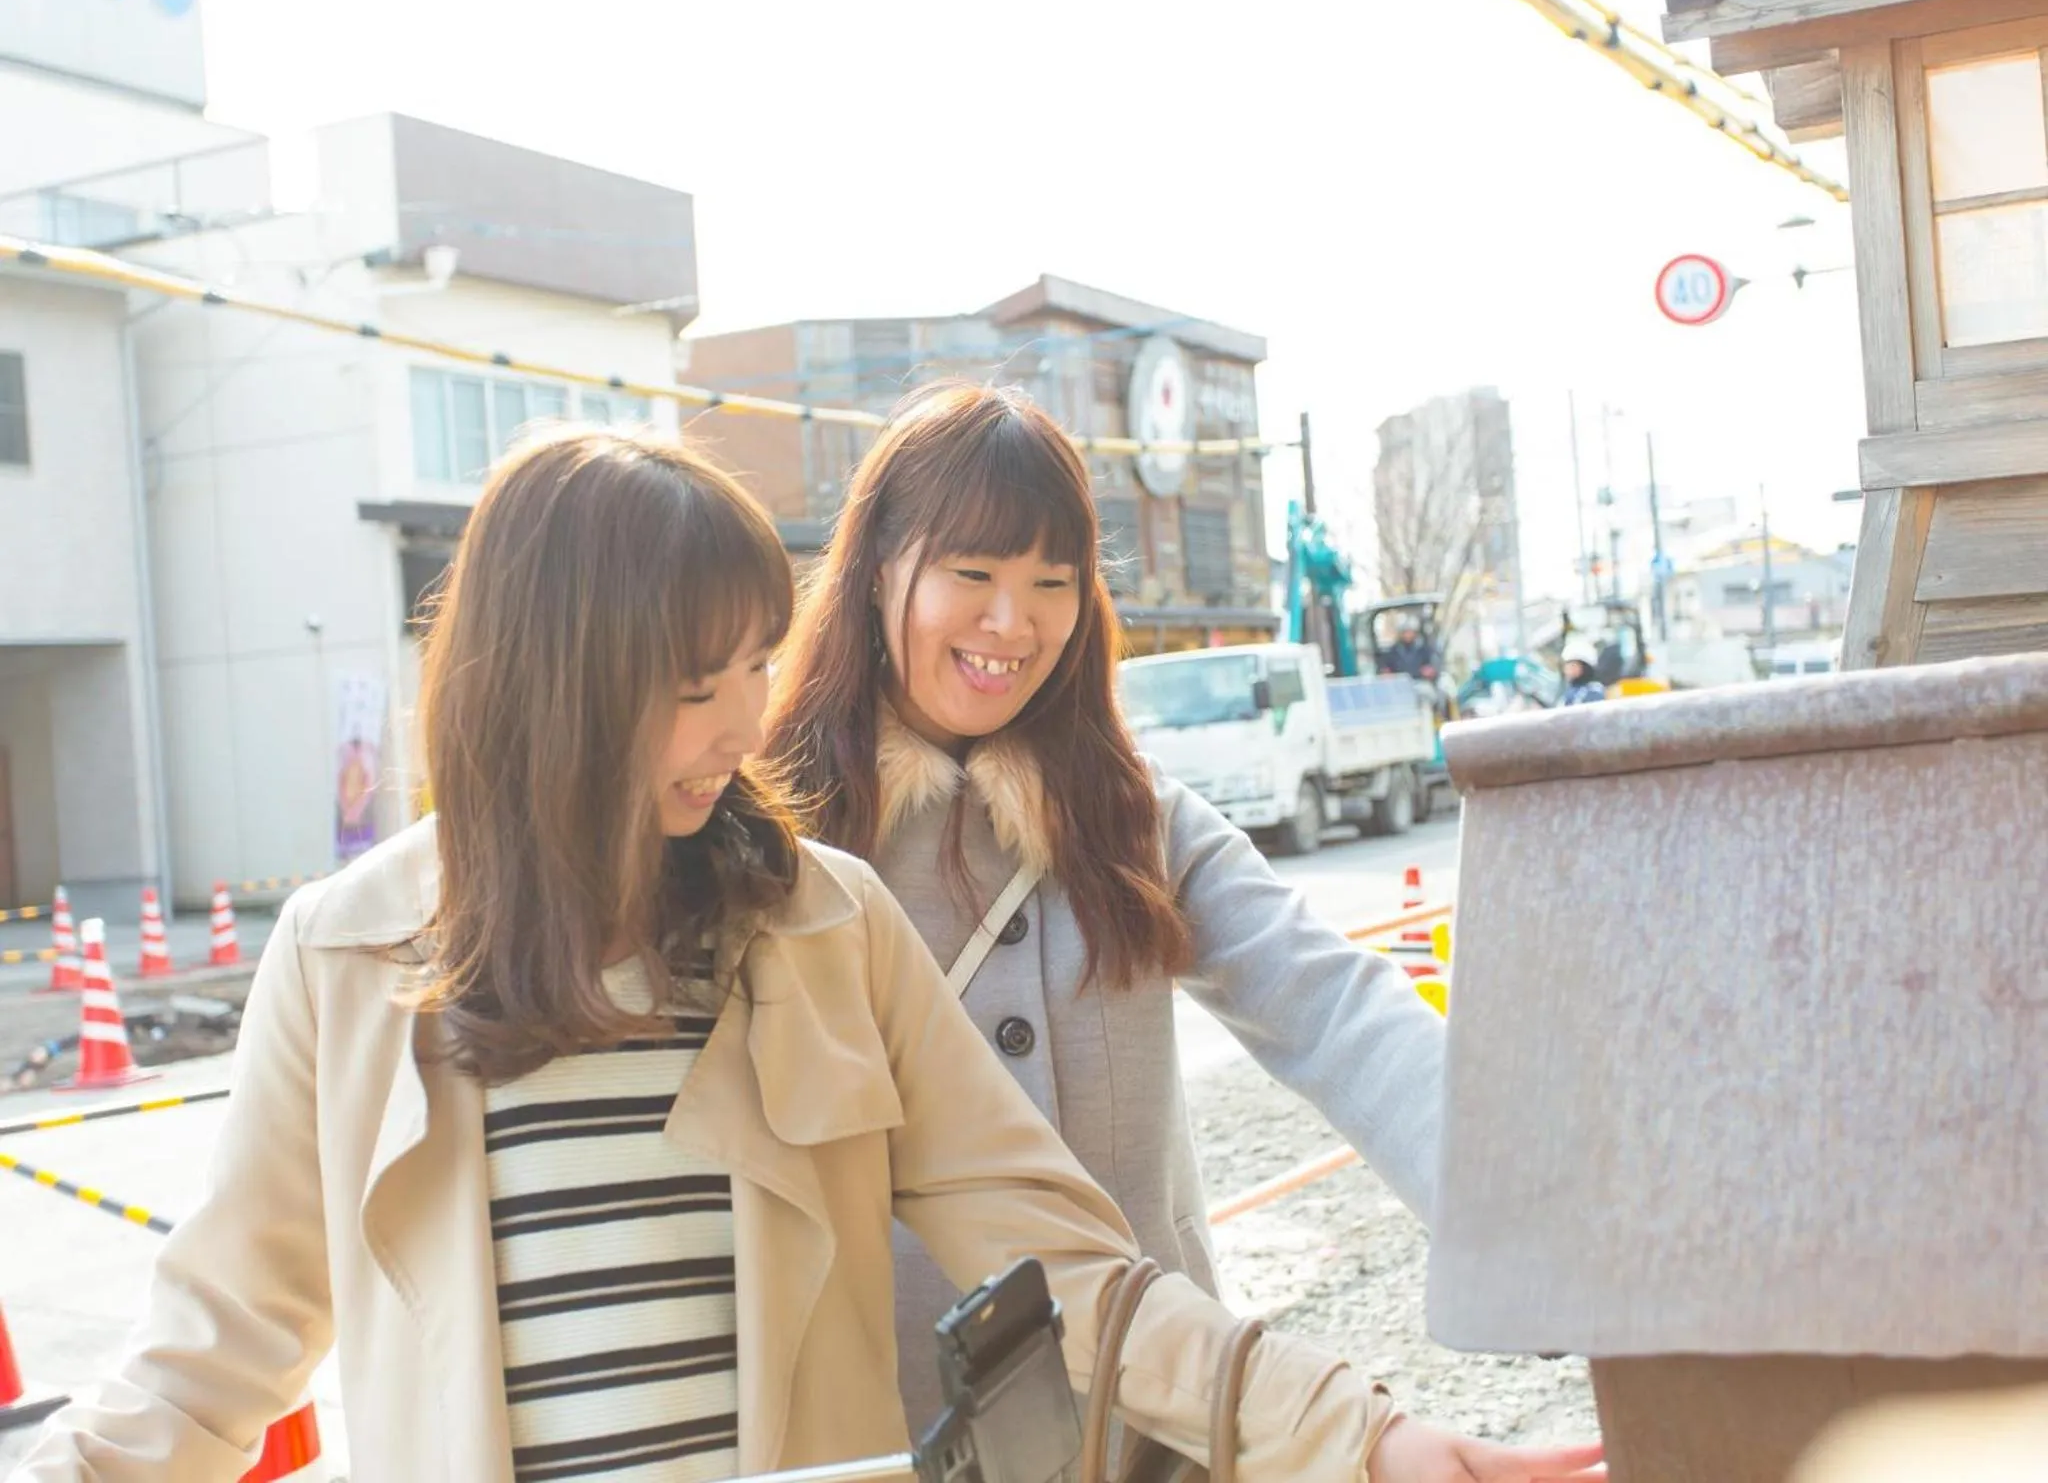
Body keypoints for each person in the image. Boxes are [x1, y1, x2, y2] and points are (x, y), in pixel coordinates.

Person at [10, 427, 1601, 1483]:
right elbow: (213, 1348)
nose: (743, 721)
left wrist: (1375, 1436)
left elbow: (1088, 1249)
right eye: (699, 682)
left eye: (759, 667)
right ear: (553, 686)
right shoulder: (350, 958)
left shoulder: (829, 921)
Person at [764, 385, 1482, 1438]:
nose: (1011, 623)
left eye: (1049, 582)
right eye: (971, 575)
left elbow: (1333, 1007)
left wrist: (1521, 1221)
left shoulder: (1130, 818)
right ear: (876, 570)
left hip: (1155, 1424)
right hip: (896, 1429)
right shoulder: (781, 838)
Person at [1558, 637, 1607, 707]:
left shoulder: (1593, 691)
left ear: (1585, 668)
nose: (1568, 670)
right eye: (1567, 665)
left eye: (1573, 665)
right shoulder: (1570, 689)